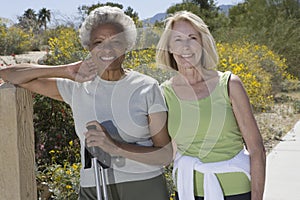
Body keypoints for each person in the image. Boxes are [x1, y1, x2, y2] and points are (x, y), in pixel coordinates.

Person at [0, 6, 172, 200]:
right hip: (93, 189)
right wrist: (65, 70)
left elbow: (165, 156)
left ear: (127, 45)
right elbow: (8, 74)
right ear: (88, 47)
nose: (107, 49)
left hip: (144, 187)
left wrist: (114, 147)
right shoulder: (77, 86)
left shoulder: (147, 87)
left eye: (116, 42)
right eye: (98, 42)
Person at [156, 11, 266, 200]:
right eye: (178, 40)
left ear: (202, 43)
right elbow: (168, 152)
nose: (186, 47)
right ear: (169, 48)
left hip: (236, 191)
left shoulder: (230, 84)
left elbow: (257, 150)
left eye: (192, 38)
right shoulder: (164, 93)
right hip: (188, 191)